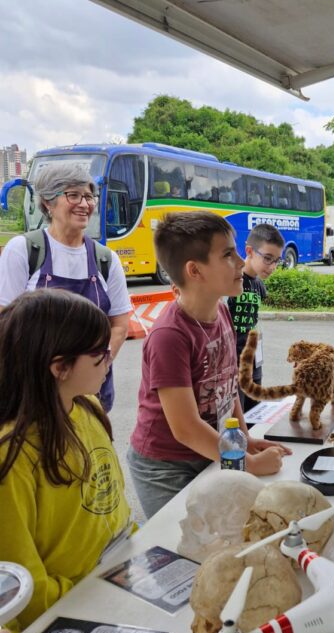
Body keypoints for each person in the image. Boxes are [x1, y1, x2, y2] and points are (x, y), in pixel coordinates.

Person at [127, 212, 291, 519]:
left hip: (211, 448)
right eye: (228, 255)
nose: (242, 262)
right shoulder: (170, 336)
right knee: (188, 542)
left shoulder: (221, 312)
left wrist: (244, 440)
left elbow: (228, 390)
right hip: (166, 466)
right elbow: (186, 428)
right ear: (194, 271)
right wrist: (249, 463)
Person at [0, 291, 133, 633]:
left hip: (117, 577)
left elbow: (111, 501)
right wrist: (85, 595)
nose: (109, 362)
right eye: (99, 356)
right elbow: (21, 583)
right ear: (60, 367)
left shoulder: (88, 406)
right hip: (65, 615)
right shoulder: (11, 453)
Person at [0, 163, 131, 412]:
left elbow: (120, 326)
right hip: (36, 391)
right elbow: (6, 324)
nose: (85, 204)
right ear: (48, 202)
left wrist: (94, 369)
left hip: (92, 392)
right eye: (73, 195)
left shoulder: (106, 259)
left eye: (89, 195)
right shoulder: (24, 250)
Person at [227, 223, 285, 412]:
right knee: (238, 413)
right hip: (233, 360)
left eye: (277, 260)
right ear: (249, 251)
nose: (273, 266)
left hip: (254, 358)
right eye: (268, 258)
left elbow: (255, 319)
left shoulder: (259, 285)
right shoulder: (231, 281)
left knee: (255, 411)